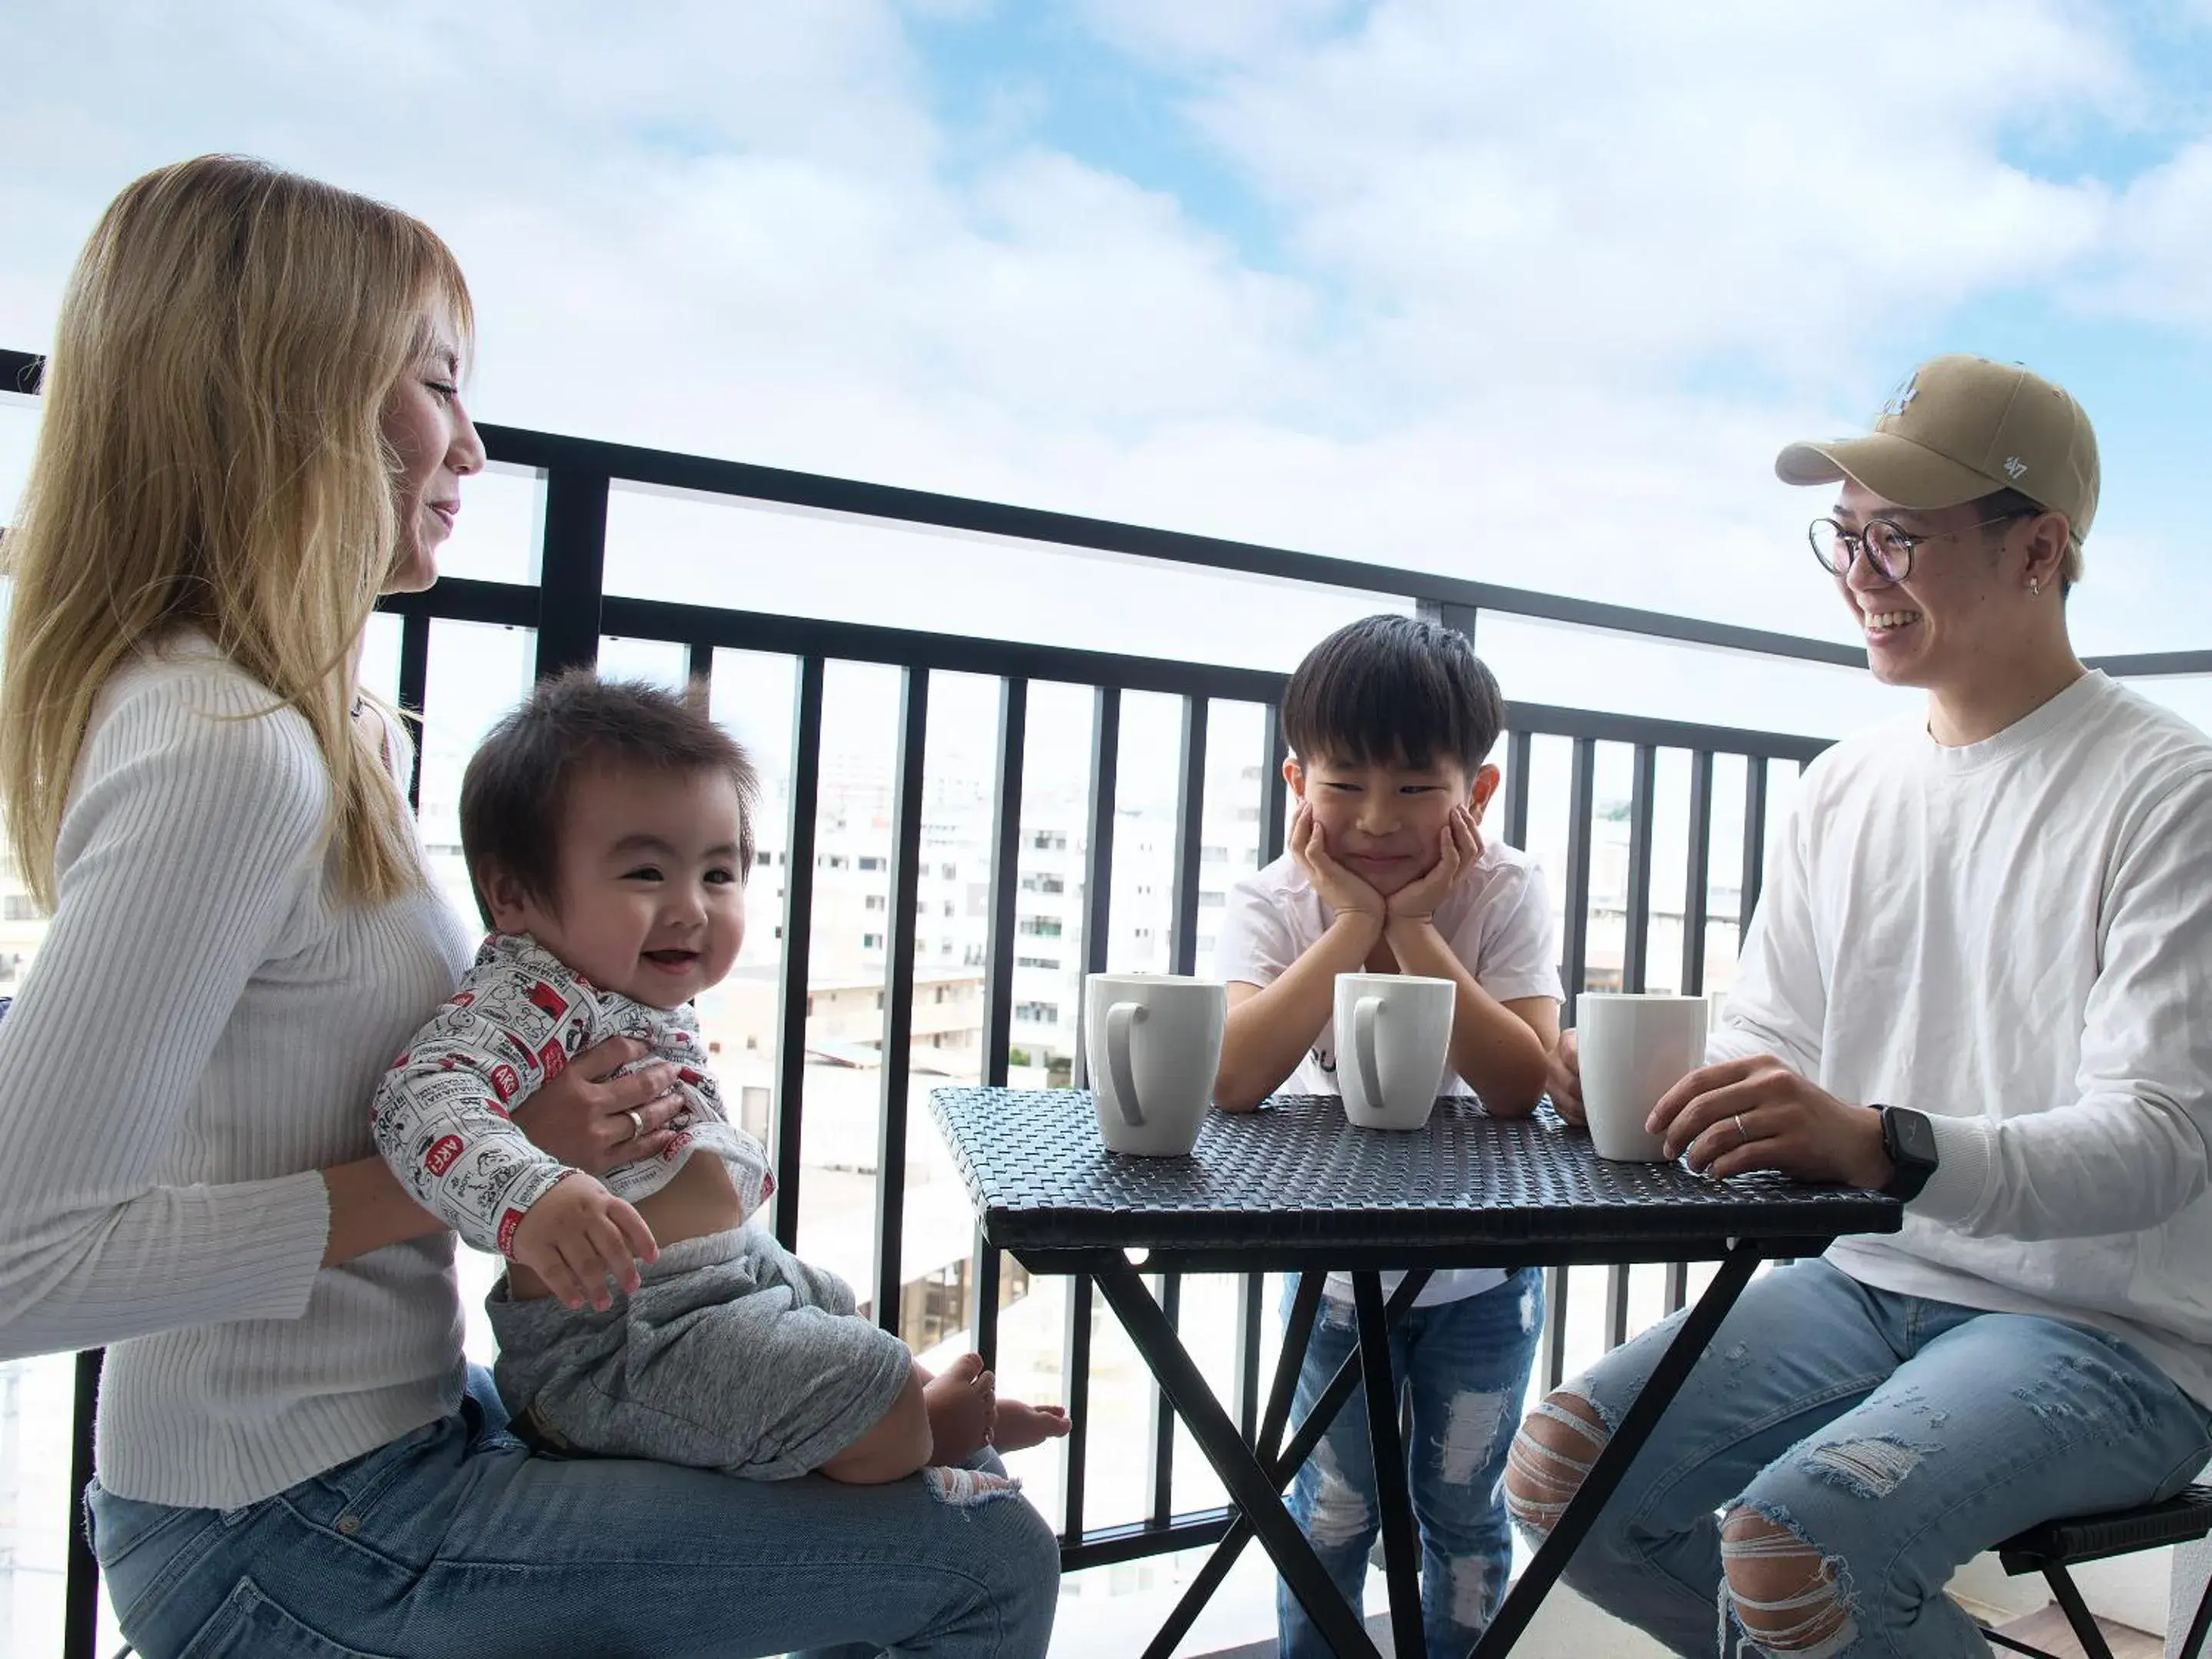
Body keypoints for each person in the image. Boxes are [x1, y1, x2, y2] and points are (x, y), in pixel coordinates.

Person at [0, 154, 1059, 1658]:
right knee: (979, 1555)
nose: (475, 449)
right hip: (284, 1524)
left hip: (381, 1447)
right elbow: (17, 1256)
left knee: (899, 1445)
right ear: (290, 396)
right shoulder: (219, 754)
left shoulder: (322, 728)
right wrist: (505, 1168)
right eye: (435, 384)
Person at [1505, 355, 2212, 1656]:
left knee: (1793, 1552)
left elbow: (2161, 1140)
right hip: (1875, 1277)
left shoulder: (2173, 792)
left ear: (2040, 549)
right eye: (1845, 536)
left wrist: (1883, 1143)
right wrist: (1642, 1084)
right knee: (1559, 1477)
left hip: (2115, 1332)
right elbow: (1772, 1045)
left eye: (1899, 537)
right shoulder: (1845, 787)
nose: (1859, 576)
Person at [376, 671, 1069, 1485]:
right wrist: (530, 1192)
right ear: (513, 892)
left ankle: (931, 1417)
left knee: (831, 1302)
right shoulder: (529, 992)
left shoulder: (629, 983)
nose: (692, 909)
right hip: (622, 1345)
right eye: (645, 874)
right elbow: (418, 1099)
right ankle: (926, 1437)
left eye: (718, 874)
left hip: (713, 1284)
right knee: (856, 1379)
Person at [1212, 614, 1562, 1657]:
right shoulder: (1274, 900)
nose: (1375, 820)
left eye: (1416, 789)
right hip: (1331, 1274)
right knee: (1329, 1517)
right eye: (1344, 783)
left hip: (1483, 1278)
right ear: (1295, 783)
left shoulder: (1506, 890)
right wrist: (1354, 927)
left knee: (1461, 1513)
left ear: (1477, 795)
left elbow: (1517, 1086)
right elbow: (1234, 1075)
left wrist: (1413, 929)